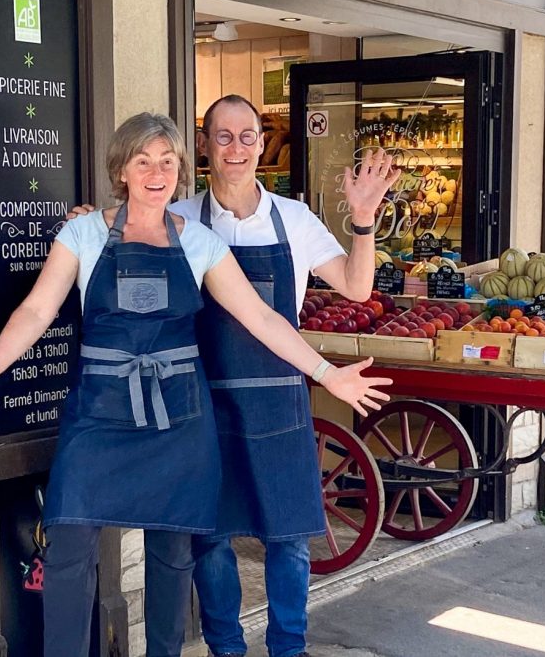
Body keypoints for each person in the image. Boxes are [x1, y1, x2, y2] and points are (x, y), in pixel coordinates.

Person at [0, 112, 390, 657]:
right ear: (121, 169)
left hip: (178, 419)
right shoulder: (83, 232)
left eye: (167, 161)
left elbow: (262, 319)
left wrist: (328, 373)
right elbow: (35, 309)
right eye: (143, 160)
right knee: (69, 547)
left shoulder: (200, 243)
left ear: (180, 170)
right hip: (98, 413)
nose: (156, 171)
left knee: (172, 557)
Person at [67, 95, 395, 657]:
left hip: (277, 400)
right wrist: (91, 226)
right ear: (204, 145)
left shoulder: (293, 218)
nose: (237, 148)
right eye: (223, 136)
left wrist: (363, 220)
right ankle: (226, 649)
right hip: (200, 403)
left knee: (288, 539)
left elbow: (356, 288)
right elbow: (120, 243)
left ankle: (289, 649)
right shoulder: (181, 218)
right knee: (210, 538)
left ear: (261, 144)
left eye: (248, 136)